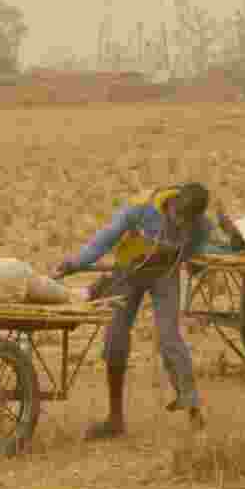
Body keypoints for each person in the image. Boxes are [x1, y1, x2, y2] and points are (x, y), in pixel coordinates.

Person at [52, 182, 214, 440]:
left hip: (164, 274)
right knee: (115, 338)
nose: (181, 224)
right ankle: (115, 419)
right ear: (172, 204)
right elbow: (105, 238)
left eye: (188, 222)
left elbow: (198, 251)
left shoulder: (201, 226)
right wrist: (76, 263)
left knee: (170, 339)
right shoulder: (141, 208)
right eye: (178, 217)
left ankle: (194, 411)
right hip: (129, 270)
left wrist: (195, 262)